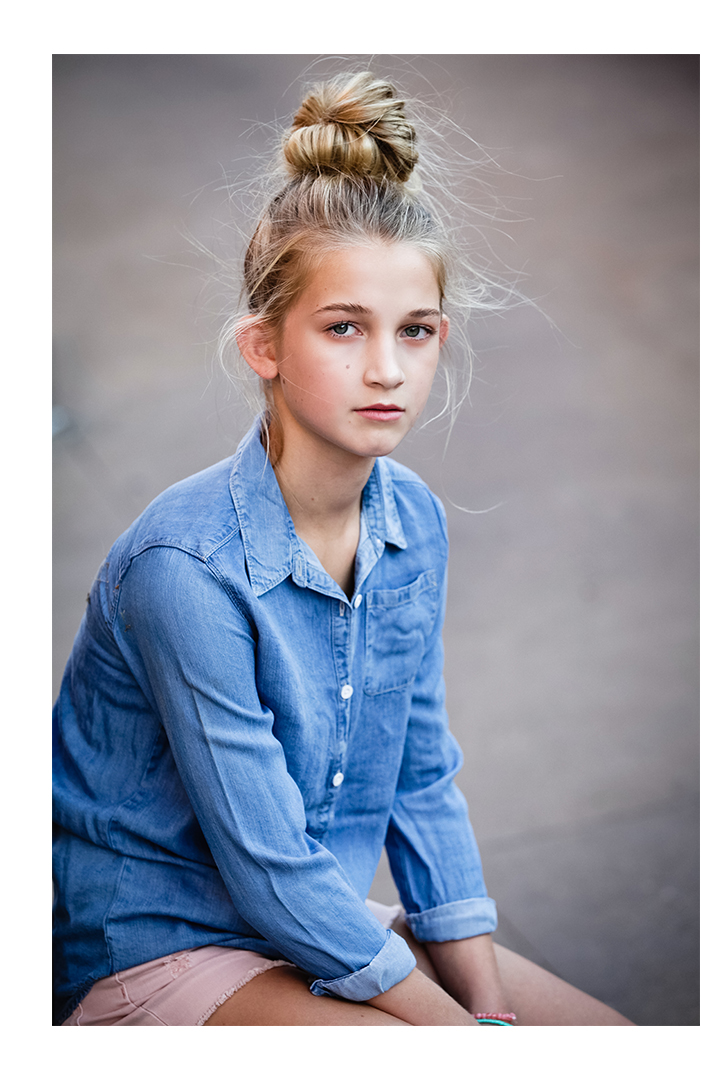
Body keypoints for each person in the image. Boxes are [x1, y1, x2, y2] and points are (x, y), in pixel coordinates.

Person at [53, 71, 633, 1027]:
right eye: (343, 328)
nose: (387, 370)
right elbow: (266, 860)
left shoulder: (414, 527)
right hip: (167, 947)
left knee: (604, 1040)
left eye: (415, 332)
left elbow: (418, 775)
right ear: (264, 346)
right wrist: (462, 1038)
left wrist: (486, 1010)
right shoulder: (183, 572)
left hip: (312, 924)